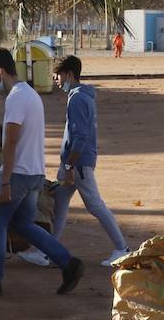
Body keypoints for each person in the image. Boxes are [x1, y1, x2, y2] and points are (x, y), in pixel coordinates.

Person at [0, 48, 85, 297]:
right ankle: (67, 262)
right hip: (34, 173)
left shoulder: (16, 97)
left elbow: (11, 142)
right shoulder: (30, 94)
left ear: (0, 71)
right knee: (23, 223)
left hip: (18, 174)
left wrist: (4, 181)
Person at [17, 56, 130, 268]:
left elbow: (79, 137)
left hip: (78, 164)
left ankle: (122, 248)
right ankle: (46, 252)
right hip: (76, 163)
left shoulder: (78, 99)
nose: (55, 79)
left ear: (69, 74)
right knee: (60, 203)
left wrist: (69, 166)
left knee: (95, 205)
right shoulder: (82, 96)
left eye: (58, 75)